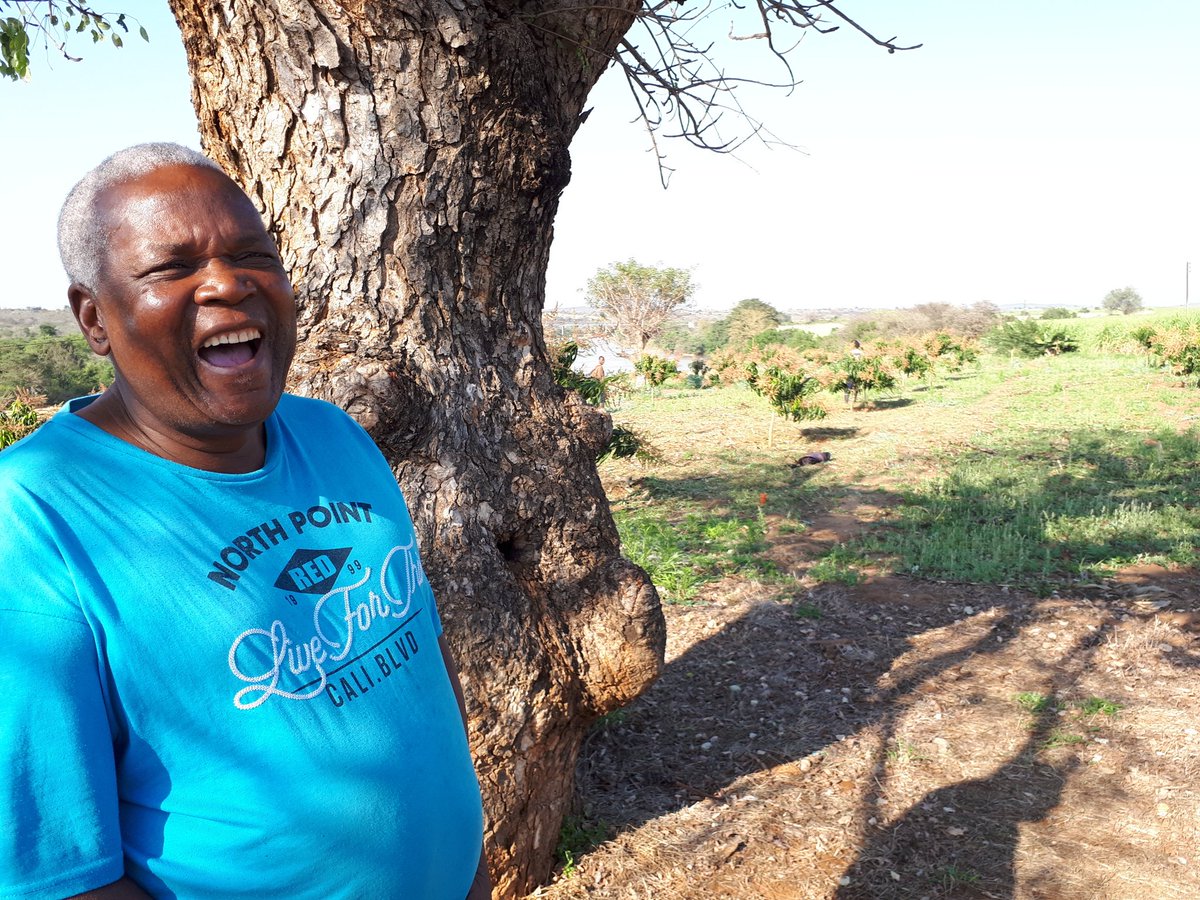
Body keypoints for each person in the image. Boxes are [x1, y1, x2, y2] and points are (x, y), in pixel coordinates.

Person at [0, 144, 491, 899]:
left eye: (252, 253)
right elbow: (60, 875)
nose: (228, 282)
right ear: (94, 319)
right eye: (172, 268)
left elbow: (416, 654)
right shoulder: (33, 518)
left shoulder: (336, 436)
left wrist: (464, 859)